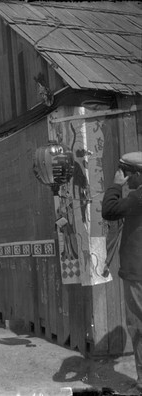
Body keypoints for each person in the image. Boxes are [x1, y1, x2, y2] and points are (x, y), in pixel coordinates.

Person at [102, 151, 142, 393]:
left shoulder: (138, 197)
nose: (125, 178)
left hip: (138, 274)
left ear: (137, 174)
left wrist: (116, 186)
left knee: (138, 327)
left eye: (127, 174)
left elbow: (109, 210)